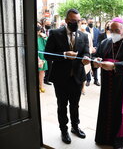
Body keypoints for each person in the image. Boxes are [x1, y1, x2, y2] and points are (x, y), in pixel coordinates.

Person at [93, 17, 123, 149]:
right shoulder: (104, 42)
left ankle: (121, 140)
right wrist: (96, 60)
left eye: (117, 30)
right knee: (107, 108)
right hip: (107, 83)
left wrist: (114, 66)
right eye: (111, 30)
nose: (114, 32)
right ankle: (105, 137)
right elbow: (97, 56)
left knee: (122, 110)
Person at [44, 9, 90, 144]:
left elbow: (86, 52)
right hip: (60, 78)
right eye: (73, 21)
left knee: (75, 105)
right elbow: (47, 54)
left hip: (77, 77)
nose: (76, 23)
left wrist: (87, 57)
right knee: (62, 105)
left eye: (78, 21)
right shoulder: (55, 33)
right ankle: (63, 130)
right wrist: (64, 54)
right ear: (66, 21)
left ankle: (75, 127)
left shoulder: (83, 36)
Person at [79, 18, 95, 95]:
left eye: (85, 23)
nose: (84, 25)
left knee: (85, 72)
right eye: (82, 23)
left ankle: (83, 88)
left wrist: (90, 52)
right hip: (79, 56)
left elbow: (91, 46)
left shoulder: (88, 34)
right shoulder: (77, 33)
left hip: (87, 55)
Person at [86, 18, 101, 86]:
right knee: (88, 65)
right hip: (88, 50)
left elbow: (98, 40)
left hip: (95, 50)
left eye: (92, 22)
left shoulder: (97, 30)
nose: (91, 23)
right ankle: (88, 80)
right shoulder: (85, 30)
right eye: (90, 22)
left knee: (95, 65)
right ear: (87, 22)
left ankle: (96, 80)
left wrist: (96, 48)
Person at [37, 24, 48, 93]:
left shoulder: (42, 37)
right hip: (36, 55)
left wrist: (45, 37)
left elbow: (48, 45)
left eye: (38, 31)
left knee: (42, 71)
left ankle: (41, 85)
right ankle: (37, 85)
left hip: (42, 55)